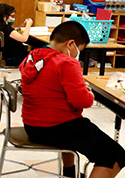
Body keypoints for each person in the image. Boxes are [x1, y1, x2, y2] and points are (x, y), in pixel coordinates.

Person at [20, 21, 125, 178]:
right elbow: (83, 102)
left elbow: (51, 87)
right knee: (115, 155)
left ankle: (69, 173)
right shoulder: (66, 62)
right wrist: (89, 94)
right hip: (58, 127)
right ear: (70, 44)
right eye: (79, 50)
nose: (78, 55)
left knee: (81, 133)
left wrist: (78, 89)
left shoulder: (33, 56)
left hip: (32, 126)